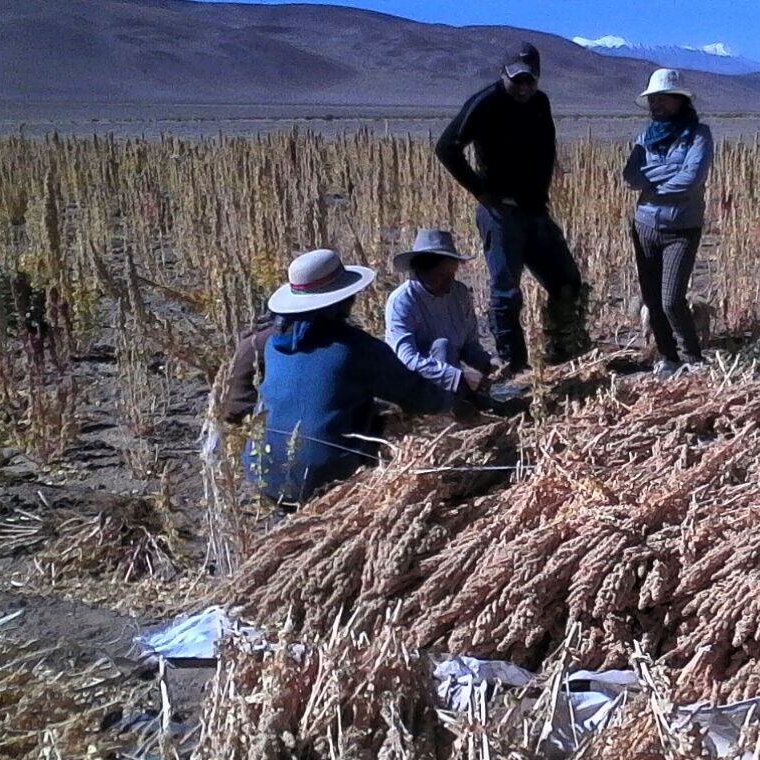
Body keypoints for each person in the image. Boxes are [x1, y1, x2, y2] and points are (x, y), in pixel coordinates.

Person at [243, 249, 448, 505]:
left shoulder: (275, 346)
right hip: (321, 480)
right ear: (343, 300)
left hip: (261, 471)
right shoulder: (357, 349)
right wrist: (455, 404)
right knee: (382, 427)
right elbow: (419, 396)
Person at [436, 42, 590, 372]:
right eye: (516, 79)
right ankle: (513, 368)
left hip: (535, 211)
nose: (523, 87)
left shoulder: (540, 102)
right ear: (502, 74)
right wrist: (480, 192)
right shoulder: (486, 102)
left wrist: (542, 190)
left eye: (529, 80)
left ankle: (565, 350)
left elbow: (546, 147)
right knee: (506, 294)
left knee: (567, 282)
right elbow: (447, 147)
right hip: (501, 214)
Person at [622, 68, 714, 377]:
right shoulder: (644, 138)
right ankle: (667, 358)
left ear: (679, 100)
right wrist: (665, 176)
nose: (656, 105)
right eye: (652, 99)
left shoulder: (699, 134)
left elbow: (692, 177)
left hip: (681, 228)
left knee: (672, 299)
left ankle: (693, 358)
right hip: (644, 226)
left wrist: (652, 184)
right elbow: (630, 177)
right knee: (651, 300)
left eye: (662, 98)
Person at [385, 228, 494, 404]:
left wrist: (490, 363)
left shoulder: (459, 293)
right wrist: (458, 377)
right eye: (441, 275)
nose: (449, 282)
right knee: (442, 346)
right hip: (417, 387)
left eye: (452, 274)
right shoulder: (402, 301)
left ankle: (466, 403)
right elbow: (407, 360)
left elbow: (469, 346)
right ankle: (449, 410)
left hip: (452, 381)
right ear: (421, 270)